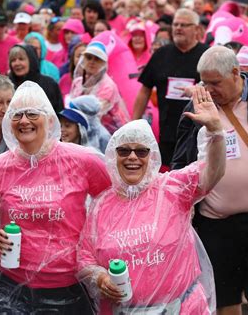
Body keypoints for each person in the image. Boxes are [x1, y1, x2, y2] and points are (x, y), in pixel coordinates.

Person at [78, 89, 225, 313]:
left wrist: (214, 132)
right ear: (113, 156)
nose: (132, 157)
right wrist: (99, 278)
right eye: (124, 150)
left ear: (153, 155)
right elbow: (85, 257)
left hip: (181, 308)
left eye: (141, 151)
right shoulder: (100, 205)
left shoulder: (174, 188)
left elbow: (212, 172)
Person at [0, 81, 111, 314]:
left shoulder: (83, 160)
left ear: (48, 120)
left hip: (69, 286)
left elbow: (112, 201)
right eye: (17, 115)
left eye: (32, 114)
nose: (24, 121)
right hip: (11, 284)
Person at [172, 46, 248, 315]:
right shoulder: (196, 106)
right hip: (215, 224)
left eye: (215, 82)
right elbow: (182, 159)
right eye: (204, 81)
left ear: (235, 73)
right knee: (224, 300)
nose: (208, 88)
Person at [132, 8, 208, 170]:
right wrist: (133, 123)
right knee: (168, 175)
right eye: (175, 24)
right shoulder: (161, 54)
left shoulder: (207, 54)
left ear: (196, 29)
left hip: (197, 131)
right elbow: (145, 90)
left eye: (184, 25)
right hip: (166, 131)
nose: (178, 28)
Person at [70, 41, 129, 134]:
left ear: (103, 63)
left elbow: (95, 113)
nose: (92, 62)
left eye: (97, 59)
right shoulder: (77, 82)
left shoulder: (108, 86)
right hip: (84, 129)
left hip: (109, 133)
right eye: (89, 58)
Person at [8, 44, 63, 113]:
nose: (17, 63)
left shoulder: (49, 84)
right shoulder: (8, 85)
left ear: (31, 60)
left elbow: (59, 112)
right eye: (13, 60)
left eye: (21, 59)